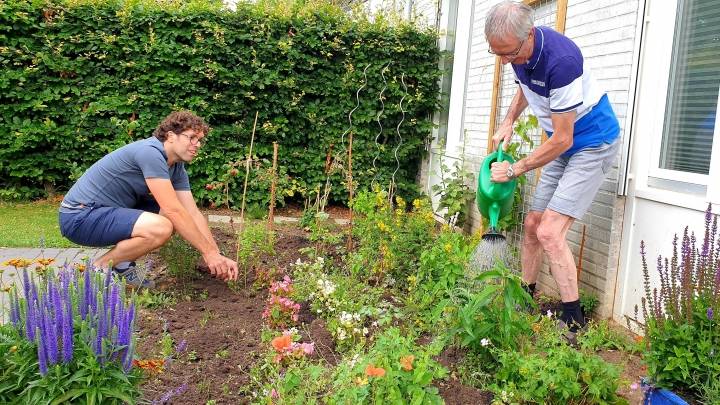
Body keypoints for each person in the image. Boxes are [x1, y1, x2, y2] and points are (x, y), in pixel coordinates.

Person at [485, 1, 620, 334]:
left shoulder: (561, 62)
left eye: (508, 54)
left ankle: (573, 317)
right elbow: (524, 87)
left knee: (549, 231)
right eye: (496, 54)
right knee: (532, 223)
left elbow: (562, 139)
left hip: (591, 142)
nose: (504, 61)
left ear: (528, 36)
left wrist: (515, 169)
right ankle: (526, 298)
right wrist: (508, 120)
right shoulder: (518, 53)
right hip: (562, 142)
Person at [59, 110, 238, 287]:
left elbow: (192, 212)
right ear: (171, 136)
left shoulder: (176, 167)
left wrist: (215, 253)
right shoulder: (150, 153)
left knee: (173, 218)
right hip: (79, 216)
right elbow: (173, 209)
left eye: (200, 140)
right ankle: (99, 268)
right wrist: (207, 254)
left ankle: (122, 264)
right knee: (162, 225)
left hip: (103, 211)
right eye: (192, 137)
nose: (197, 144)